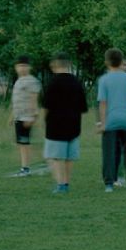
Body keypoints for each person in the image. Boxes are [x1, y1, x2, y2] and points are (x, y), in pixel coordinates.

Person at [39, 53, 87, 195]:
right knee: (68, 158)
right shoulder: (76, 82)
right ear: (69, 65)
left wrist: (43, 121)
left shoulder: (52, 83)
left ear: (54, 65)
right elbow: (83, 107)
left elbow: (46, 106)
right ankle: (66, 182)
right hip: (74, 125)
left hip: (55, 126)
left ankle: (60, 184)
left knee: (54, 157)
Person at [96, 47, 126, 192]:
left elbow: (103, 103)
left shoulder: (103, 80)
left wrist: (102, 123)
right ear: (121, 61)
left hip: (111, 121)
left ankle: (109, 183)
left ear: (107, 62)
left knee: (109, 153)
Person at [8, 56, 42, 178]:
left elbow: (34, 99)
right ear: (16, 68)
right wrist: (12, 116)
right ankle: (38, 162)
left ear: (29, 67)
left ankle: (25, 168)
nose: (22, 68)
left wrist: (33, 116)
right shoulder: (18, 81)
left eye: (24, 66)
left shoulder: (31, 81)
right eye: (19, 66)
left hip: (26, 117)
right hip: (19, 117)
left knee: (24, 143)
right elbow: (16, 101)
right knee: (22, 143)